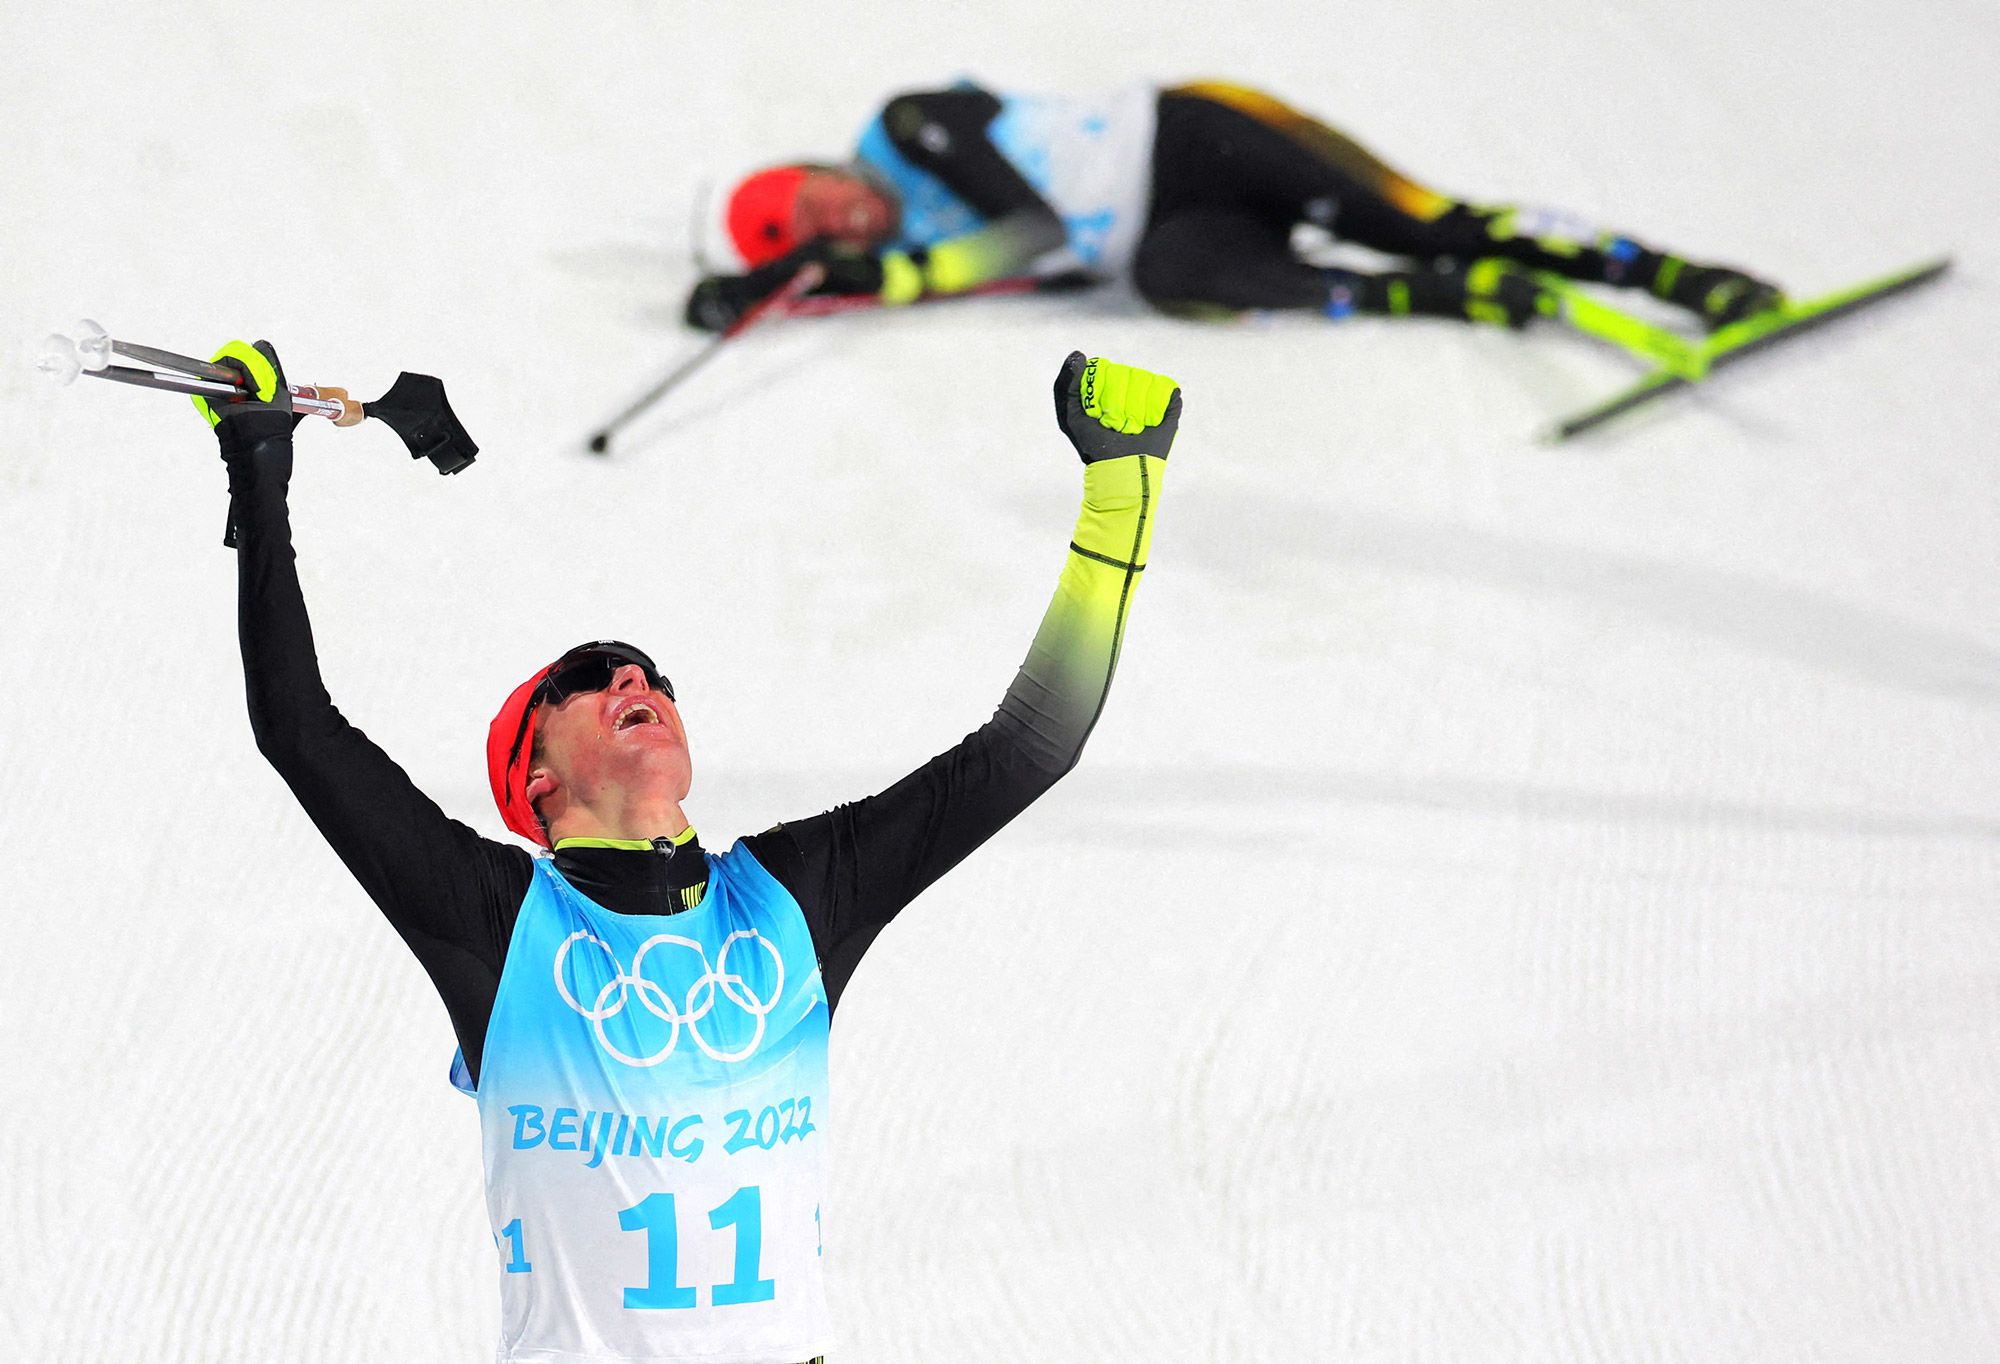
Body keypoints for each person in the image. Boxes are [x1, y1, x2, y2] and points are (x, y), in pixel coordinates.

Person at [199, 339, 1180, 1363]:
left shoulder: (793, 897)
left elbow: (1030, 745)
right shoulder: (502, 924)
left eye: (652, 673)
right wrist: (258, 470)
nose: (635, 677)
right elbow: (300, 730)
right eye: (588, 675)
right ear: (532, 784)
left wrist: (1120, 486)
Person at [685, 79, 1784, 337]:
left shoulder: (909, 124)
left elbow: (1027, 229)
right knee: (1175, 280)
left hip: (1202, 133)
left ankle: (1670, 276)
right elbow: (894, 275)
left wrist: (880, 280)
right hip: (1170, 229)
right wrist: (763, 295)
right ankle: (1465, 295)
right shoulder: (918, 246)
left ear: (819, 167)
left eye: (822, 202)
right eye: (825, 236)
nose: (849, 222)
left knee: (1421, 214)